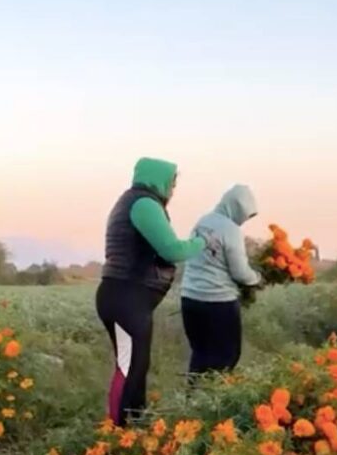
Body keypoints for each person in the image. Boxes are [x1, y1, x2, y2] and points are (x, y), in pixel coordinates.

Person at [96, 157, 205, 426]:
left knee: (136, 365)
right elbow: (172, 249)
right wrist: (201, 242)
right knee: (130, 367)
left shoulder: (134, 201)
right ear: (161, 180)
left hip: (126, 298)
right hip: (126, 297)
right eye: (172, 183)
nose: (172, 190)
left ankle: (136, 425)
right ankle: (117, 432)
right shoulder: (144, 204)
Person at [180, 185, 261, 381]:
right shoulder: (230, 229)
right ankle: (213, 404)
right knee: (226, 357)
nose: (244, 219)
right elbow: (240, 272)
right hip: (218, 303)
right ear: (236, 207)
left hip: (190, 299)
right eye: (245, 214)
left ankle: (192, 400)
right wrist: (257, 278)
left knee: (200, 354)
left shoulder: (202, 222)